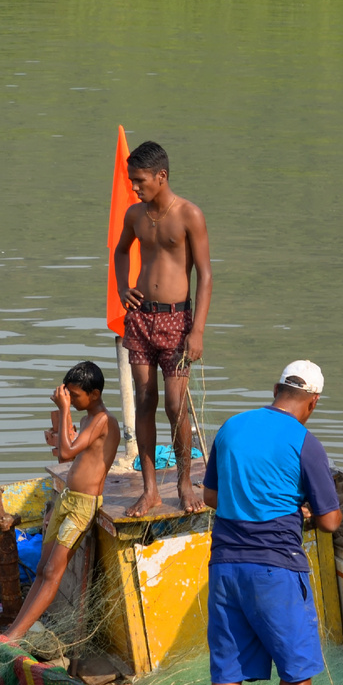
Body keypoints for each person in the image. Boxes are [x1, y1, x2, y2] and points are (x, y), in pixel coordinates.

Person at [201, 361, 343, 685]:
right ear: (313, 402)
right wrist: (301, 508)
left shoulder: (231, 426)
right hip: (275, 568)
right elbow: (330, 521)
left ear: (276, 390)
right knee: (297, 669)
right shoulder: (305, 442)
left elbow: (210, 496)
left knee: (227, 672)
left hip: (224, 568)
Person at [111, 140, 213, 516]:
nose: (135, 188)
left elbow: (205, 274)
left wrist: (197, 329)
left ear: (161, 176)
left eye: (140, 180)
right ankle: (151, 489)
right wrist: (124, 288)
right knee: (144, 400)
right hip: (140, 319)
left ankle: (185, 483)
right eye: (131, 180)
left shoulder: (189, 215)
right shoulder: (135, 216)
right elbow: (121, 251)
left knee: (175, 405)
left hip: (177, 320)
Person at [2, 361, 121, 641]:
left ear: (94, 394)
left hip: (82, 507)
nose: (71, 399)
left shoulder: (104, 420)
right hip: (67, 499)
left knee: (54, 571)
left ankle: (13, 636)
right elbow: (64, 452)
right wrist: (64, 420)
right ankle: (15, 629)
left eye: (75, 395)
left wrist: (64, 409)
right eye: (69, 395)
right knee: (42, 568)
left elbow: (66, 455)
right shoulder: (85, 419)